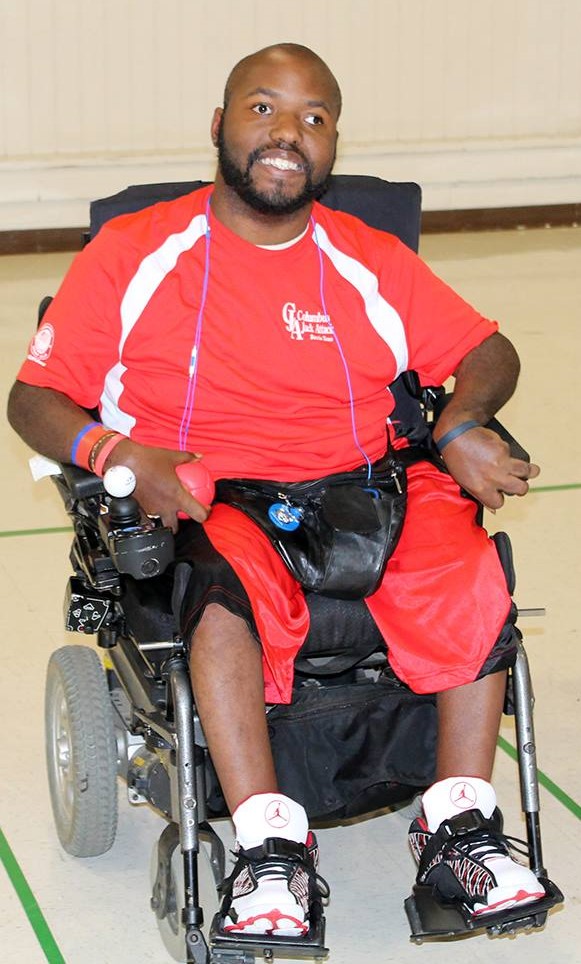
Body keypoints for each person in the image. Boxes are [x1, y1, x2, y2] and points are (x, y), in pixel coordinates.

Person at [8, 42, 545, 939]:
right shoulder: (137, 250)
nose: (287, 133)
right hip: (211, 489)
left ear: (331, 146)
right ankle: (268, 848)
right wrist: (114, 451)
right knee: (218, 595)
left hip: (365, 483)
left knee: (466, 564)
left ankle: (457, 823)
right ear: (219, 127)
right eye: (263, 110)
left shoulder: (367, 257)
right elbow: (32, 398)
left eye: (313, 118)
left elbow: (487, 349)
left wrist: (456, 425)